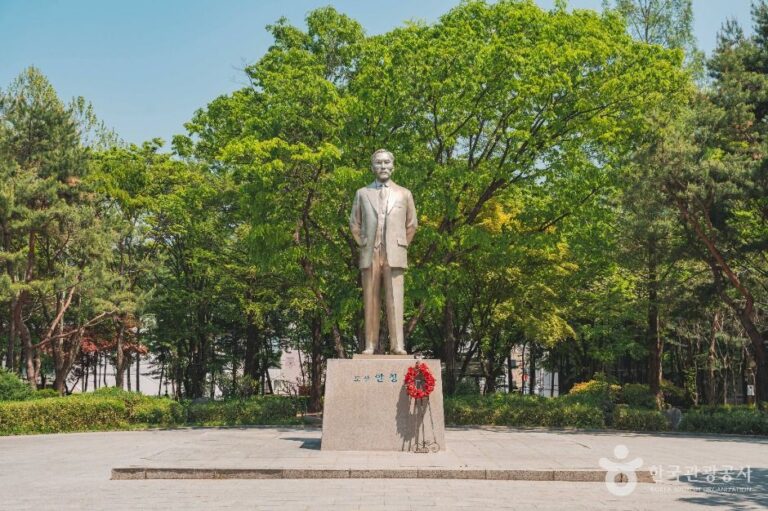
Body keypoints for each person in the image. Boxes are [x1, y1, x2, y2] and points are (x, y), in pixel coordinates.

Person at [349, 149, 417, 355]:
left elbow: (412, 224)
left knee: (395, 300)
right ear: (372, 167)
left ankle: (397, 345)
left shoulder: (404, 194)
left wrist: (400, 244)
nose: (383, 166)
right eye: (378, 163)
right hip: (371, 253)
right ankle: (370, 345)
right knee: (371, 300)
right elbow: (354, 223)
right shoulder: (362, 193)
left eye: (387, 162)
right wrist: (364, 243)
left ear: (393, 166)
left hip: (394, 253)